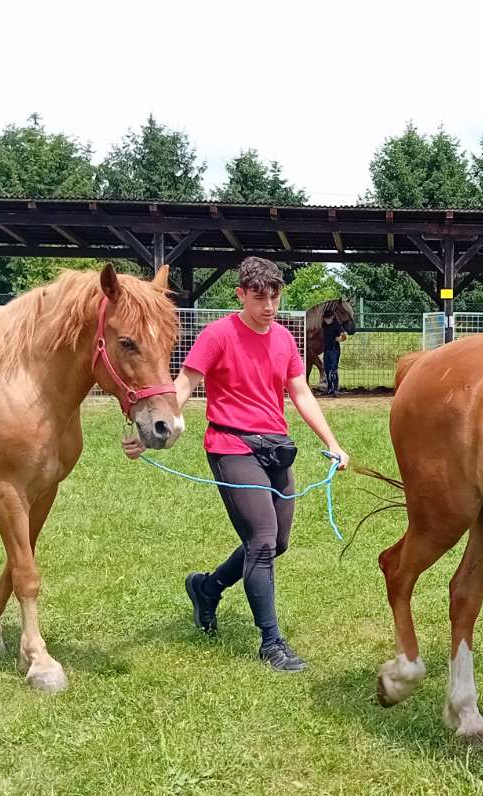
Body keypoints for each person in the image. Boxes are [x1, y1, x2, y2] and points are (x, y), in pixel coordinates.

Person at [123, 257, 349, 673]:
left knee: (277, 543)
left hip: (276, 447)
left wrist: (332, 443)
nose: (268, 305)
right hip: (231, 445)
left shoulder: (284, 339)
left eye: (274, 296)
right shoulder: (218, 335)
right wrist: (155, 430)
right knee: (262, 540)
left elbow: (300, 393)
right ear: (241, 294)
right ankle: (272, 642)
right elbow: (185, 383)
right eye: (259, 296)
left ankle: (207, 588)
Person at [320, 305, 346, 396]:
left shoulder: (337, 325)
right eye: (325, 318)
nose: (326, 320)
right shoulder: (324, 325)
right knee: (327, 369)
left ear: (332, 317)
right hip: (326, 349)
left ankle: (335, 389)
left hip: (334, 349)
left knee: (333, 369)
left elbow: (344, 336)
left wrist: (338, 339)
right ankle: (329, 388)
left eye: (328, 318)